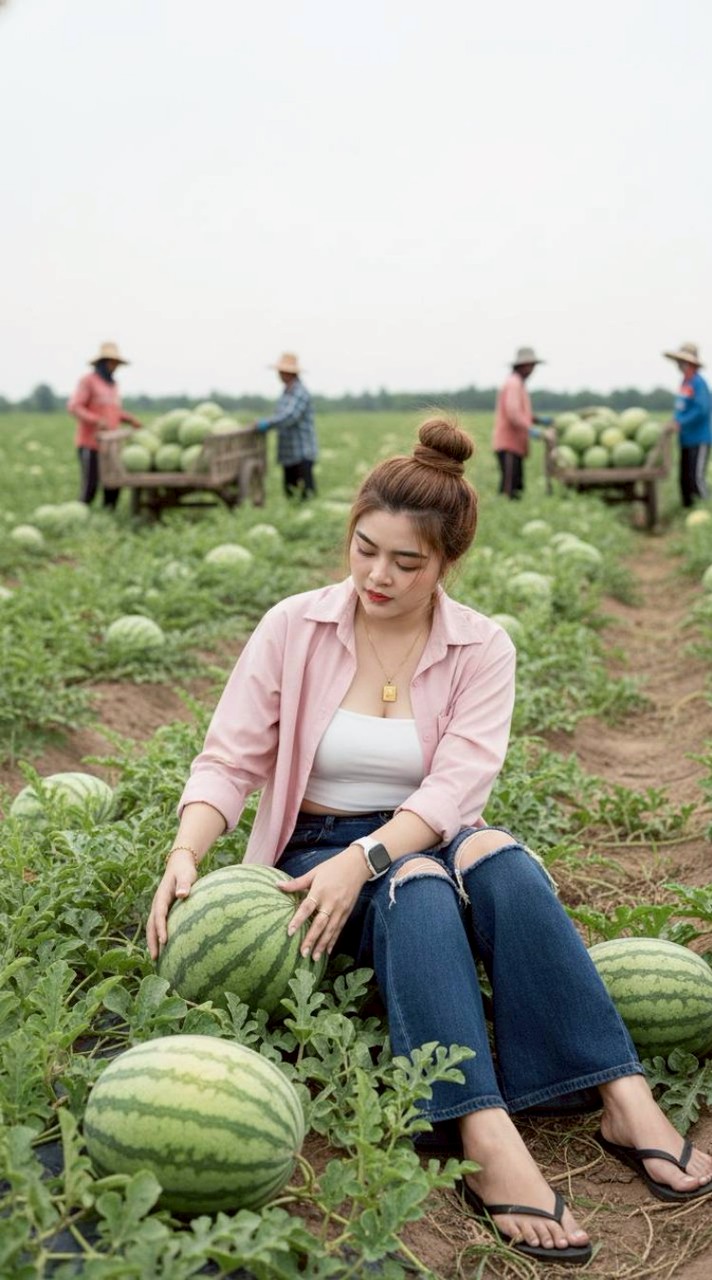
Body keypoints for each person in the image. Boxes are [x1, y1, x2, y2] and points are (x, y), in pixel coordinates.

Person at [147, 414, 712, 1265]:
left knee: (501, 861)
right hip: (313, 848)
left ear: (447, 564)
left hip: (427, 833)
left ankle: (620, 1093)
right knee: (414, 887)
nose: (379, 575)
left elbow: (456, 790)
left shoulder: (482, 645)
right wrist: (186, 850)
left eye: (407, 563)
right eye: (365, 548)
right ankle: (480, 1131)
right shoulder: (293, 627)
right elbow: (230, 758)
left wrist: (369, 857)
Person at [67, 341, 142, 508]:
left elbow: (113, 411)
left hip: (111, 445)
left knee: (113, 484)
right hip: (90, 443)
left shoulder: (113, 385)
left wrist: (129, 419)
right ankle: (81, 513)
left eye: (116, 363)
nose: (114, 366)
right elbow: (74, 406)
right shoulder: (88, 381)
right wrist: (95, 420)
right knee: (90, 485)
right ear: (102, 362)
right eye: (111, 362)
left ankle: (108, 516)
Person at [251, 353, 318, 499]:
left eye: (282, 371)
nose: (279, 374)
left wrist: (266, 424)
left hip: (301, 453)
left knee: (305, 495)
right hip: (288, 455)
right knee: (291, 495)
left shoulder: (300, 392)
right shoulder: (286, 392)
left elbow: (289, 417)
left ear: (290, 373)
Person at [492, 346, 552, 499]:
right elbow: (513, 413)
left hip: (515, 445)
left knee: (517, 486)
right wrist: (531, 429)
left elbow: (521, 412)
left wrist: (538, 419)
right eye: (531, 366)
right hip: (508, 444)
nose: (532, 370)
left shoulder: (519, 384)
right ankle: (504, 516)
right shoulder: (513, 384)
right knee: (509, 490)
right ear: (522, 366)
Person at [663, 341, 711, 509]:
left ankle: (706, 512)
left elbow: (702, 409)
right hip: (685, 439)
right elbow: (681, 408)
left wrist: (680, 422)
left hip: (699, 439)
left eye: (681, 362)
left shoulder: (699, 382)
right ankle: (688, 510)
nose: (678, 365)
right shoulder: (685, 383)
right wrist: (673, 421)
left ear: (690, 364)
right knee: (684, 479)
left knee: (696, 478)